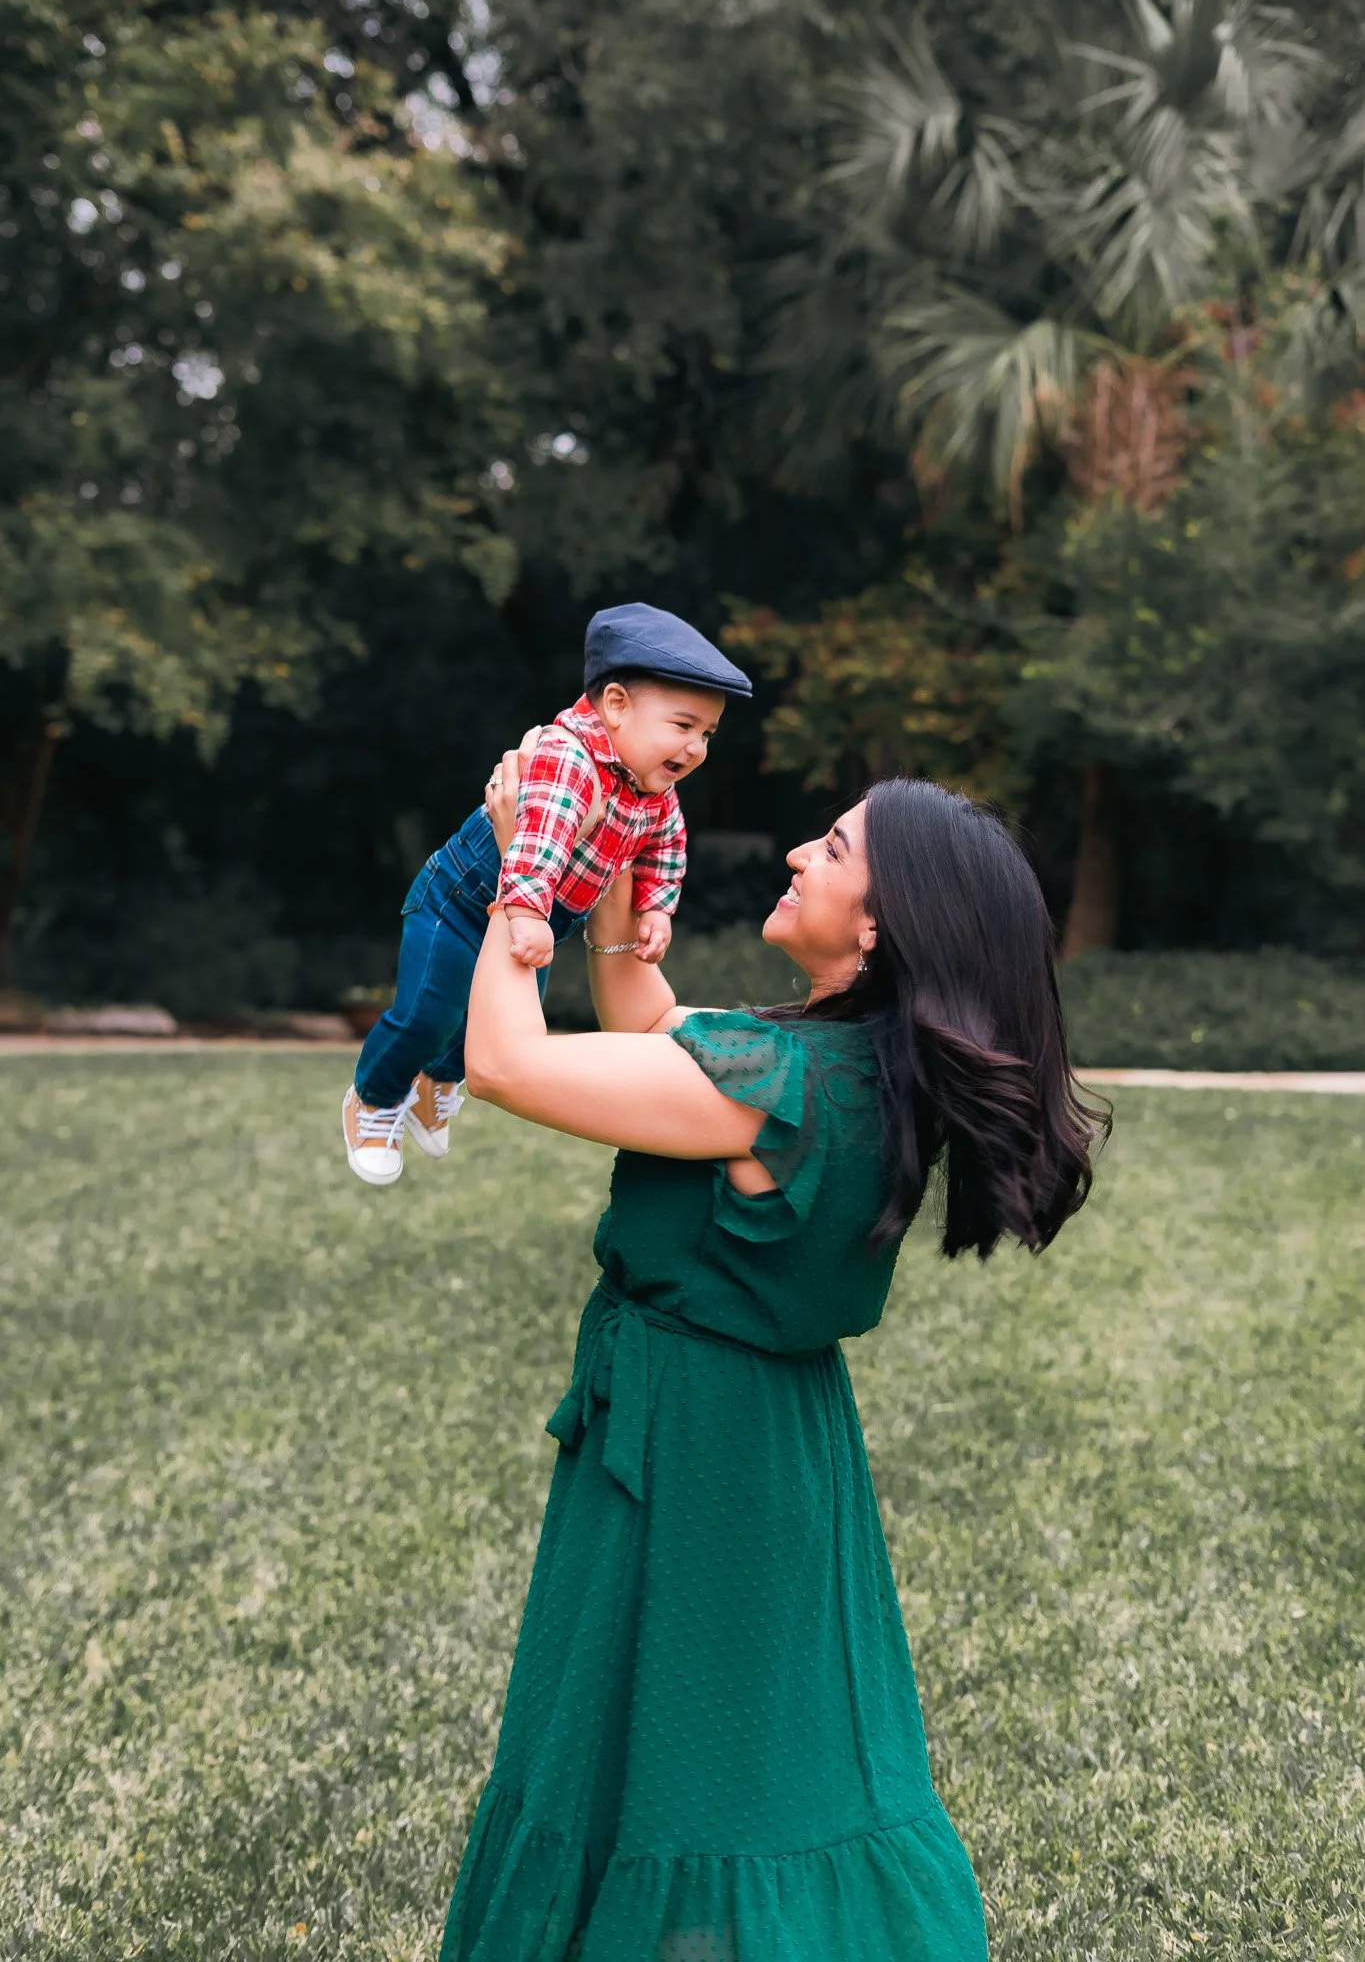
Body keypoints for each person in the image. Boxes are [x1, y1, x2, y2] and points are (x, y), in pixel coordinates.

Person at [434, 757, 1108, 1962]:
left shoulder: (780, 1084)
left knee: (685, 1765)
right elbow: (646, 1021)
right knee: (740, 1756)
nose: (801, 852)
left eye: (835, 848)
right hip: (767, 1436)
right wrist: (620, 869)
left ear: (881, 923)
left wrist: (523, 871)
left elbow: (507, 1063)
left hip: (695, 1449)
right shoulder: (843, 1068)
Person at [341, 603, 752, 1185]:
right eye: (683, 726)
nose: (696, 748)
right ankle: (375, 1099)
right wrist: (528, 910)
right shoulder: (569, 758)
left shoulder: (652, 787)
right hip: (462, 904)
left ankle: (437, 1079)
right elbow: (536, 839)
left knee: (498, 1027)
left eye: (707, 734)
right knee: (425, 1014)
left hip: (537, 920)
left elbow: (666, 848)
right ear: (615, 706)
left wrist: (656, 907)